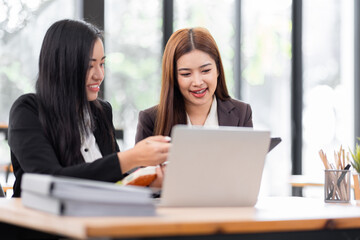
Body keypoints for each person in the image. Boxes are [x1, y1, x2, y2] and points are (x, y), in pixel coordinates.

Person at [8, 19, 170, 197]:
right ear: (62, 67)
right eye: (89, 65)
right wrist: (130, 158)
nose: (99, 75)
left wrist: (152, 184)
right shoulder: (27, 111)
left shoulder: (102, 111)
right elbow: (51, 181)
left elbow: (114, 182)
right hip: (42, 222)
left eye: (102, 64)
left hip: (98, 219)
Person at [135, 27, 253, 143]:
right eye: (186, 74)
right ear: (174, 77)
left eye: (206, 71)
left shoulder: (242, 113)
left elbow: (251, 161)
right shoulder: (150, 120)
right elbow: (142, 163)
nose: (197, 82)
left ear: (218, 70)